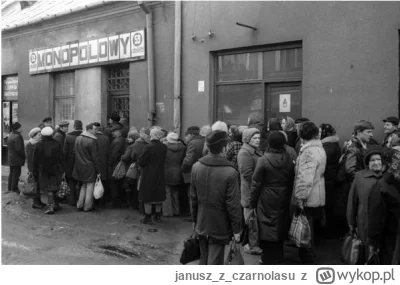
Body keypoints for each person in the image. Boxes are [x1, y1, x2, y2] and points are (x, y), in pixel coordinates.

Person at [190, 130, 242, 265]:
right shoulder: (230, 172)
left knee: (203, 259)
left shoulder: (196, 167)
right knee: (215, 261)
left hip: (201, 221)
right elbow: (233, 204)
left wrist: (194, 220)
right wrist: (237, 229)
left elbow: (193, 197)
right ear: (224, 148)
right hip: (220, 225)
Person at [250, 131, 296, 264]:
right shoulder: (289, 158)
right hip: (284, 194)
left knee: (265, 225)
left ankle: (267, 257)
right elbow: (292, 178)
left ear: (269, 143)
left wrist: (252, 202)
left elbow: (256, 183)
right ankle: (278, 255)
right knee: (280, 223)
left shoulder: (263, 160)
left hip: (266, 196)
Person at [292, 121, 326, 263]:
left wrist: (300, 197)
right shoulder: (319, 148)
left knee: (306, 227)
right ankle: (308, 255)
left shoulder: (308, 152)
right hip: (318, 192)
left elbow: (305, 178)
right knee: (310, 226)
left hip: (309, 195)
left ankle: (308, 257)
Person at [347, 146, 384, 261]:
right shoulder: (359, 177)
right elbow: (352, 200)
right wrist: (351, 222)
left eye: (378, 159)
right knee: (367, 251)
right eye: (373, 160)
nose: (376, 162)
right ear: (367, 163)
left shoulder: (388, 177)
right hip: (365, 220)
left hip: (384, 221)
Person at [368, 146, 400, 265]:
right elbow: (376, 218)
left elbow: (376, 217)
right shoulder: (383, 186)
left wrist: (373, 242)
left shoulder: (382, 186)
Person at [237, 127, 263, 255]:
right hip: (250, 193)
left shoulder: (255, 151)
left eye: (259, 137)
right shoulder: (245, 153)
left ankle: (254, 243)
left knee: (255, 219)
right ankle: (252, 246)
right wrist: (257, 187)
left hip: (256, 191)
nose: (258, 140)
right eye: (255, 138)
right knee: (251, 220)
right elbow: (247, 174)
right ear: (247, 139)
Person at [138, 128, 168, 224]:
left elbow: (141, 162)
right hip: (160, 173)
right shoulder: (164, 147)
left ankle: (147, 217)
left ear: (151, 135)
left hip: (148, 173)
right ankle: (158, 216)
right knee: (158, 195)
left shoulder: (148, 147)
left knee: (148, 195)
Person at [32, 127, 64, 214]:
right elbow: (61, 157)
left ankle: (51, 206)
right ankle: (55, 204)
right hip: (56, 169)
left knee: (49, 189)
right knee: (55, 187)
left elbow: (35, 159)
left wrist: (34, 171)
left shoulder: (38, 144)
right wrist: (62, 169)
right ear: (52, 134)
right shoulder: (57, 144)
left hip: (43, 170)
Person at [73, 123, 102, 212]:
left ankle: (79, 204)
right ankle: (87, 206)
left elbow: (74, 151)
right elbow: (95, 157)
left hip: (79, 165)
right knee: (90, 186)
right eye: (94, 129)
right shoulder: (92, 141)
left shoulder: (78, 138)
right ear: (89, 130)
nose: (95, 131)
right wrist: (99, 170)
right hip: (90, 166)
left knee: (83, 185)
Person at [319, 123, 341, 237]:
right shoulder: (333, 143)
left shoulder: (327, 147)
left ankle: (328, 232)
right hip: (331, 178)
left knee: (328, 207)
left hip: (328, 179)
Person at [181, 126, 205, 222]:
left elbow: (188, 161)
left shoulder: (192, 143)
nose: (186, 137)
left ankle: (193, 215)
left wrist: (183, 168)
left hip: (192, 173)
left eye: (187, 135)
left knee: (192, 195)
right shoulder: (205, 140)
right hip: (203, 173)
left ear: (191, 134)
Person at [163, 132, 185, 216]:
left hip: (166, 171)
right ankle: (176, 210)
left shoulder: (165, 147)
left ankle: (168, 212)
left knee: (167, 192)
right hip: (178, 170)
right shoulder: (182, 147)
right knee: (175, 192)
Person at [62, 120, 83, 206]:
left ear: (74, 126)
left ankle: (72, 201)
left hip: (70, 162)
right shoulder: (84, 136)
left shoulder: (68, 136)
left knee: (71, 182)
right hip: (82, 162)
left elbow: (65, 152)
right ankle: (81, 201)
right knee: (82, 183)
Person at [25, 127, 46, 209]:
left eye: (41, 134)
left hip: (39, 168)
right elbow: (29, 160)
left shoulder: (38, 144)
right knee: (35, 185)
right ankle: (35, 202)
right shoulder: (30, 145)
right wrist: (31, 171)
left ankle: (38, 201)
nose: (40, 136)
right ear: (33, 136)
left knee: (38, 185)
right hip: (34, 170)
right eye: (39, 135)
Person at [121, 129, 140, 209]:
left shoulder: (131, 146)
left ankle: (129, 203)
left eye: (129, 137)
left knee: (128, 186)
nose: (127, 138)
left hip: (130, 168)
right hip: (137, 168)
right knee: (135, 187)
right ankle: (134, 203)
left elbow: (125, 158)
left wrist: (121, 156)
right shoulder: (138, 144)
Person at [108, 128, 126, 208]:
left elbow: (114, 154)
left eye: (114, 132)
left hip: (116, 165)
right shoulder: (122, 140)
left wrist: (110, 162)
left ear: (119, 132)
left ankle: (116, 202)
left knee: (114, 183)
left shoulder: (117, 141)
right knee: (119, 183)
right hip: (120, 164)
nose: (112, 134)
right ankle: (121, 201)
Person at [93, 122, 110, 205]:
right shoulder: (106, 138)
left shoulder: (92, 137)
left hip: (94, 163)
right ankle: (102, 201)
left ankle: (95, 200)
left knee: (94, 182)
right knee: (102, 181)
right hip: (104, 163)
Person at [7, 122, 25, 193]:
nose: (21, 128)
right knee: (16, 174)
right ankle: (14, 188)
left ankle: (10, 188)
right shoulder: (17, 136)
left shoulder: (11, 134)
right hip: (17, 158)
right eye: (20, 127)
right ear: (18, 128)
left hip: (11, 158)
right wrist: (24, 155)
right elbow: (19, 149)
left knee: (11, 173)